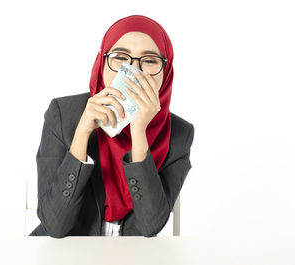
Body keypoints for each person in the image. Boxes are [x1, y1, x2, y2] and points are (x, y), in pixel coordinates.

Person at [29, 14, 195, 238]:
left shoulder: (179, 134)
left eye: (149, 60)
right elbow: (54, 226)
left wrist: (139, 131)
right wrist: (83, 131)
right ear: (102, 62)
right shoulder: (63, 114)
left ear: (166, 72)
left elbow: (149, 226)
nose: (134, 72)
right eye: (120, 57)